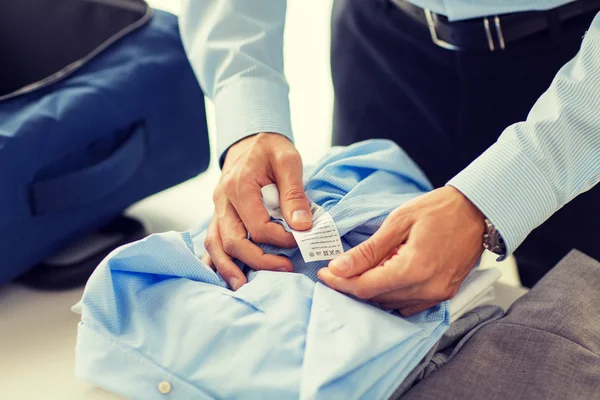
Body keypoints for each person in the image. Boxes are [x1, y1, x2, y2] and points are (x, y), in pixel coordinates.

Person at [179, 0, 600, 316]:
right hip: (382, 50)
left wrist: (502, 193)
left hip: (580, 78)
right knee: (371, 299)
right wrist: (249, 116)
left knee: (580, 325)